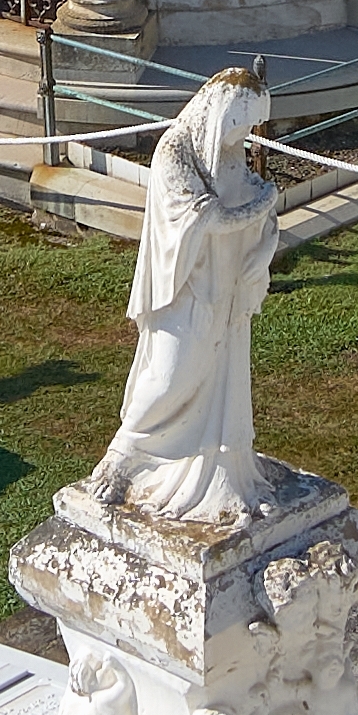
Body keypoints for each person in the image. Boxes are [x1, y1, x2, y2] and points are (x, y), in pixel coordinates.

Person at [90, 68, 284, 528]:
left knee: (222, 375)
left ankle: (224, 467)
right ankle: (125, 452)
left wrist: (267, 230)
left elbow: (257, 218)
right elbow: (204, 217)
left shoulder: (230, 155)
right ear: (222, 113)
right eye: (243, 123)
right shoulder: (175, 150)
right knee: (169, 374)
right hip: (185, 290)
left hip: (228, 290)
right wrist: (263, 204)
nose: (248, 135)